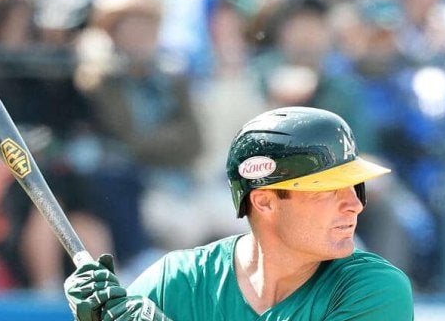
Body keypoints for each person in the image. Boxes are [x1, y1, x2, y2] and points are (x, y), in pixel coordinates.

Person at [64, 106, 414, 320]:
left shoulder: (373, 288)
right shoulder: (178, 281)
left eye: (355, 186)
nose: (355, 204)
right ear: (264, 202)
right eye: (328, 190)